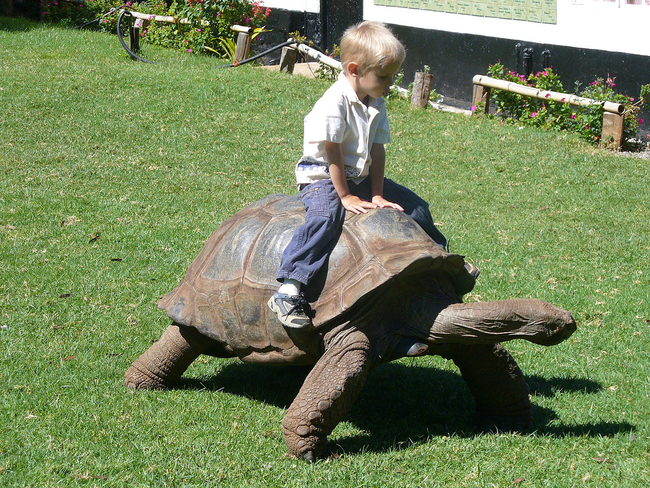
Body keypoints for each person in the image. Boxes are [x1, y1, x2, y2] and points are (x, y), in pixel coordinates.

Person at [268, 21, 450, 330]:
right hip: (323, 175)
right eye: (384, 76)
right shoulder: (334, 103)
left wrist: (377, 193)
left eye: (393, 76)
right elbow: (333, 154)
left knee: (414, 205)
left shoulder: (375, 100)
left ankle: (442, 263)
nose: (390, 84)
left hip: (359, 175)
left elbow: (377, 151)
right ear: (354, 69)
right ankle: (289, 288)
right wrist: (346, 196)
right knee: (325, 218)